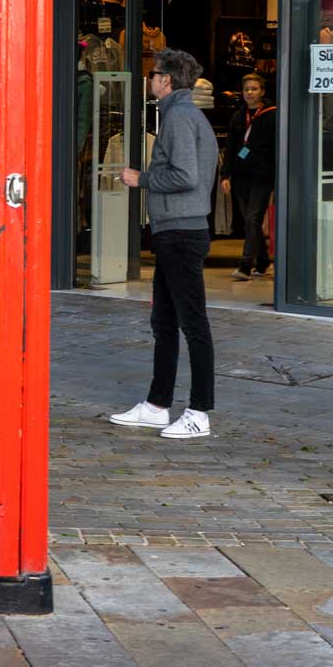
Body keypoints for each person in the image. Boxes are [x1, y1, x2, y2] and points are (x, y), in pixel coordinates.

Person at [112, 49, 219, 440]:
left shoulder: (177, 117)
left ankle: (200, 413)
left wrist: (142, 179)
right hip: (175, 230)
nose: (150, 79)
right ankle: (158, 406)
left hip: (181, 232)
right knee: (165, 322)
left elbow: (186, 176)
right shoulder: (188, 116)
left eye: (154, 74)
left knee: (193, 324)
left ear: (167, 81)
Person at [222, 74, 277, 280]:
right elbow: (230, 148)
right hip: (241, 177)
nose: (250, 93)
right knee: (250, 221)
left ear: (262, 91)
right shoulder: (238, 116)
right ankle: (263, 262)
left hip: (263, 177)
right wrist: (225, 175)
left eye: (254, 89)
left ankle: (245, 266)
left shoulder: (272, 115)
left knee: (253, 219)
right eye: (247, 90)